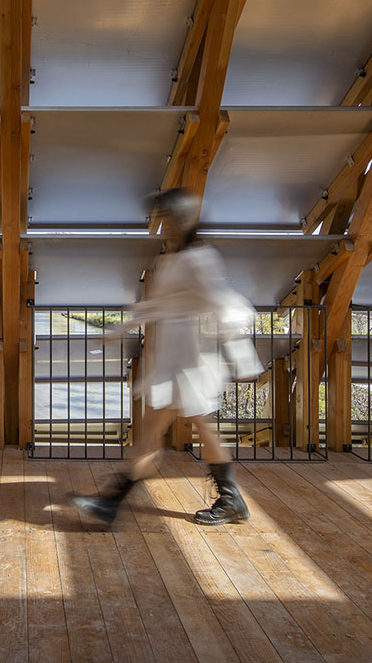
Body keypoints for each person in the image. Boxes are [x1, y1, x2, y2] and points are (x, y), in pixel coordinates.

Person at [73, 188, 263, 527]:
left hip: (190, 361)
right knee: (177, 433)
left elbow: (223, 304)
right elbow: (158, 305)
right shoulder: (173, 259)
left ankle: (111, 504)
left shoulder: (198, 260)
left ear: (179, 220)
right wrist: (119, 330)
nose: (158, 225)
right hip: (176, 359)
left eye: (162, 219)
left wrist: (244, 358)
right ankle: (229, 500)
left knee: (169, 435)